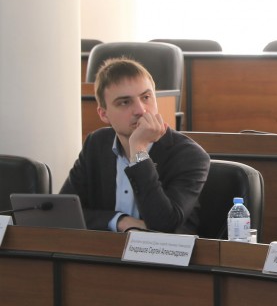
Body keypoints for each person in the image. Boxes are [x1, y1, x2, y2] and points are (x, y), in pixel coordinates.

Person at [61, 58, 210, 233]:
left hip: (162, 251)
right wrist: (119, 221)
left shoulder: (190, 155)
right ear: (104, 114)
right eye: (125, 102)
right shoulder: (96, 144)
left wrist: (138, 150)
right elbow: (63, 211)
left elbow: (164, 225)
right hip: (102, 249)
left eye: (146, 97)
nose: (140, 110)